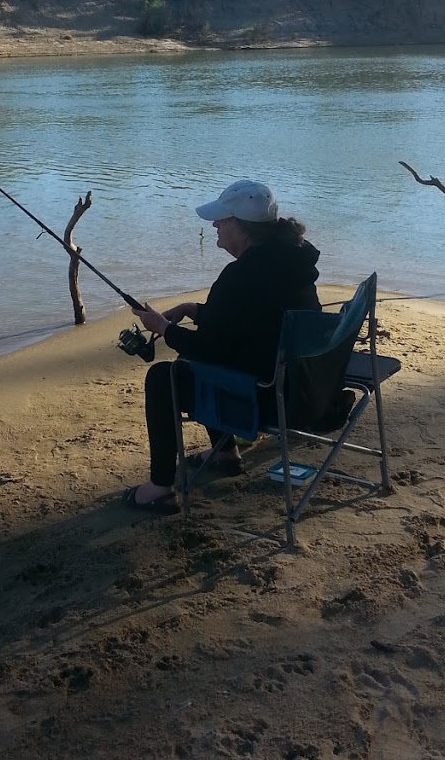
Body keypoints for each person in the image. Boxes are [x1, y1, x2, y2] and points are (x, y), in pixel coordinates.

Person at [122, 179, 323, 514]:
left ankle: (159, 487)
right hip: (301, 384)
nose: (214, 225)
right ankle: (225, 452)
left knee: (164, 377)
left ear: (241, 228)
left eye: (221, 220)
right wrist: (193, 310)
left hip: (266, 398)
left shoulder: (240, 276)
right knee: (212, 363)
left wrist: (164, 328)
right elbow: (251, 319)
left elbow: (206, 349)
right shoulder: (292, 259)